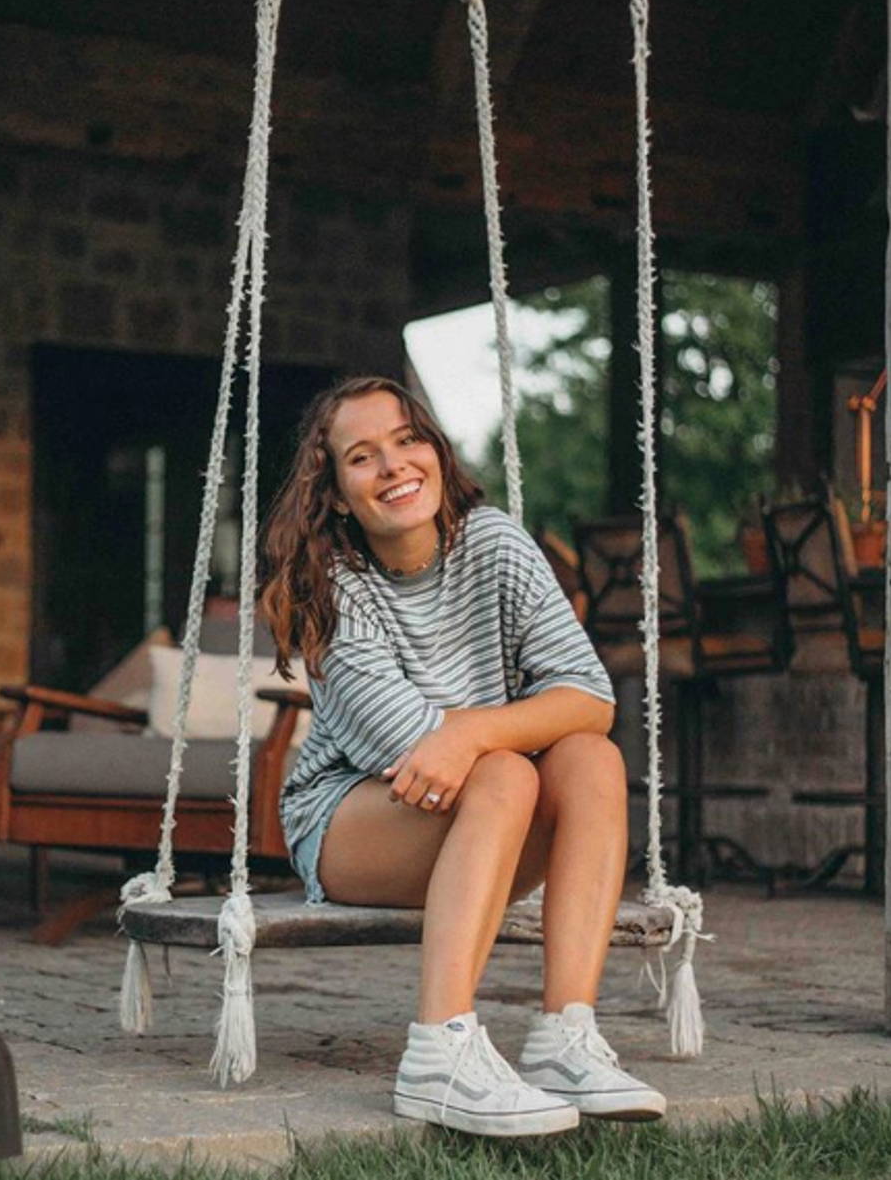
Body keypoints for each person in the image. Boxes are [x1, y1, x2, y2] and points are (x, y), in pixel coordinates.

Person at [257, 374, 666, 1137]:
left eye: (407, 439)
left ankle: (565, 1036)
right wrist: (493, 737)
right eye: (363, 456)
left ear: (437, 452)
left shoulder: (495, 542)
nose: (394, 465)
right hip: (351, 823)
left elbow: (589, 698)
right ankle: (438, 1052)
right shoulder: (333, 587)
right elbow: (414, 753)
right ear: (337, 493)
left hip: (486, 813)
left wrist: (473, 733)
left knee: (590, 759)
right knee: (507, 771)